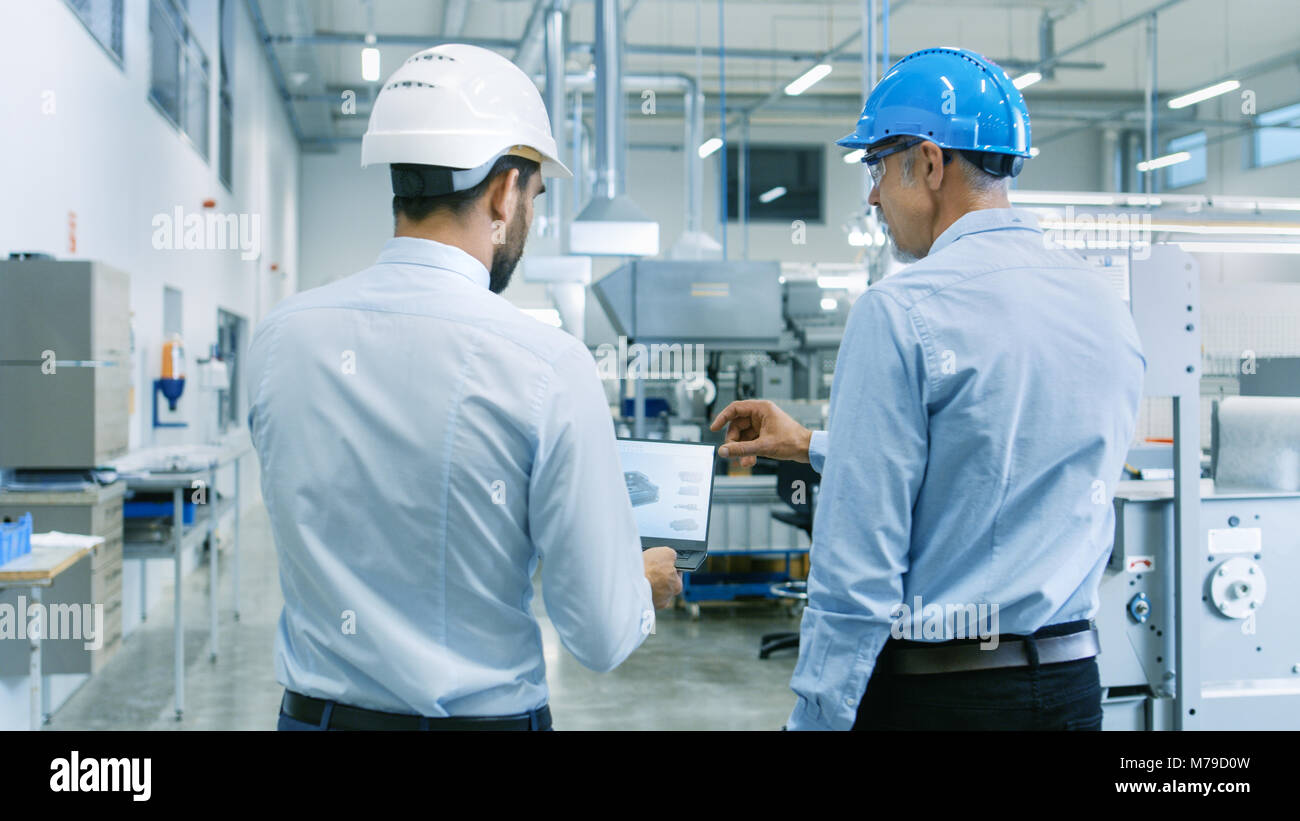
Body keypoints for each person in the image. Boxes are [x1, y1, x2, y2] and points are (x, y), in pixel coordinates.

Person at [247, 44, 681, 732]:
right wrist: (639, 586)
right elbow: (597, 634)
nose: (529, 220)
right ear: (506, 190)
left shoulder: (278, 338)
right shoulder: (547, 365)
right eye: (535, 197)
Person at [710, 47, 1145, 731]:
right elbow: (998, 463)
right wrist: (816, 444)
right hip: (1072, 688)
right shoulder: (1105, 302)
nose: (875, 195)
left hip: (944, 696)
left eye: (878, 167)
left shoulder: (902, 309)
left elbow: (857, 577)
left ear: (932, 163)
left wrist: (817, 716)